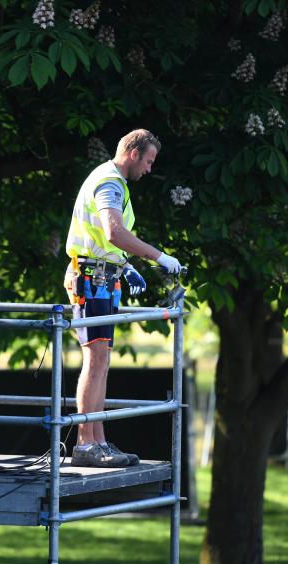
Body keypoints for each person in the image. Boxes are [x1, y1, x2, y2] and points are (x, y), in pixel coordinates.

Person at [63, 129, 183, 468]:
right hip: (92, 279)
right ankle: (88, 443)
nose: (148, 169)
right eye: (148, 160)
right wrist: (159, 257)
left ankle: (97, 440)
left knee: (101, 360)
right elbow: (114, 231)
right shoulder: (111, 183)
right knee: (96, 359)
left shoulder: (113, 182)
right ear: (133, 154)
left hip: (101, 277)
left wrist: (125, 265)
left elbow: (106, 239)